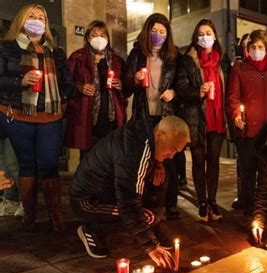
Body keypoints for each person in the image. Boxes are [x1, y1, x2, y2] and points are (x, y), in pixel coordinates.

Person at [70, 116, 190, 266]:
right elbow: (128, 203)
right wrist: (150, 245)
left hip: (111, 192)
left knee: (160, 180)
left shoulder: (150, 132)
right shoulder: (133, 151)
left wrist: (158, 163)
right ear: (159, 135)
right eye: (172, 149)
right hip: (88, 200)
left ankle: (151, 228)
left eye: (176, 152)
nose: (172, 156)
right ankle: (93, 229)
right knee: (143, 216)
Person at [0, 4, 74, 232]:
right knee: (27, 165)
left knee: (49, 164)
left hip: (49, 116)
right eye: (31, 16)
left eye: (40, 16)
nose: (36, 19)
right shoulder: (7, 48)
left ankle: (55, 216)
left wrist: (61, 99)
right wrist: (19, 82)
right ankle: (29, 216)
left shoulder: (56, 52)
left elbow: (68, 83)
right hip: (17, 115)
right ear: (21, 21)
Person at [227, 29, 267, 216]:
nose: (256, 50)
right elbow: (233, 98)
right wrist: (235, 115)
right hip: (248, 131)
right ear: (248, 48)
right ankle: (248, 209)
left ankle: (264, 210)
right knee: (248, 171)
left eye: (260, 47)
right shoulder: (239, 69)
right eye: (253, 47)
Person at [124, 13, 180, 219]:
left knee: (168, 162)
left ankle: (170, 205)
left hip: (165, 117)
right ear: (147, 32)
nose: (158, 35)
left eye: (162, 32)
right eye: (154, 31)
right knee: (145, 161)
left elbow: (181, 85)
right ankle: (146, 203)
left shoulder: (174, 58)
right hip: (143, 115)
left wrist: (173, 92)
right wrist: (135, 79)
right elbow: (126, 87)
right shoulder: (137, 55)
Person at [175, 19, 231, 222]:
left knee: (213, 161)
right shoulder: (188, 60)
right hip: (196, 118)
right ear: (195, 38)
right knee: (198, 161)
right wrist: (197, 91)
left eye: (208, 32)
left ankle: (213, 200)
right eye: (200, 34)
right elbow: (181, 88)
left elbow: (231, 87)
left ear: (215, 36)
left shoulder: (223, 60)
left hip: (218, 118)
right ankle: (201, 202)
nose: (204, 37)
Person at [65, 20, 126, 158]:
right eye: (94, 34)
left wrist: (121, 86)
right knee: (87, 159)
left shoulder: (117, 61)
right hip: (86, 117)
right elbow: (66, 83)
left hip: (111, 119)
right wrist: (80, 87)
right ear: (87, 38)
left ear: (108, 39)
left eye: (103, 35)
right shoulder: (78, 57)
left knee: (110, 158)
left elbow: (126, 89)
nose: (99, 38)